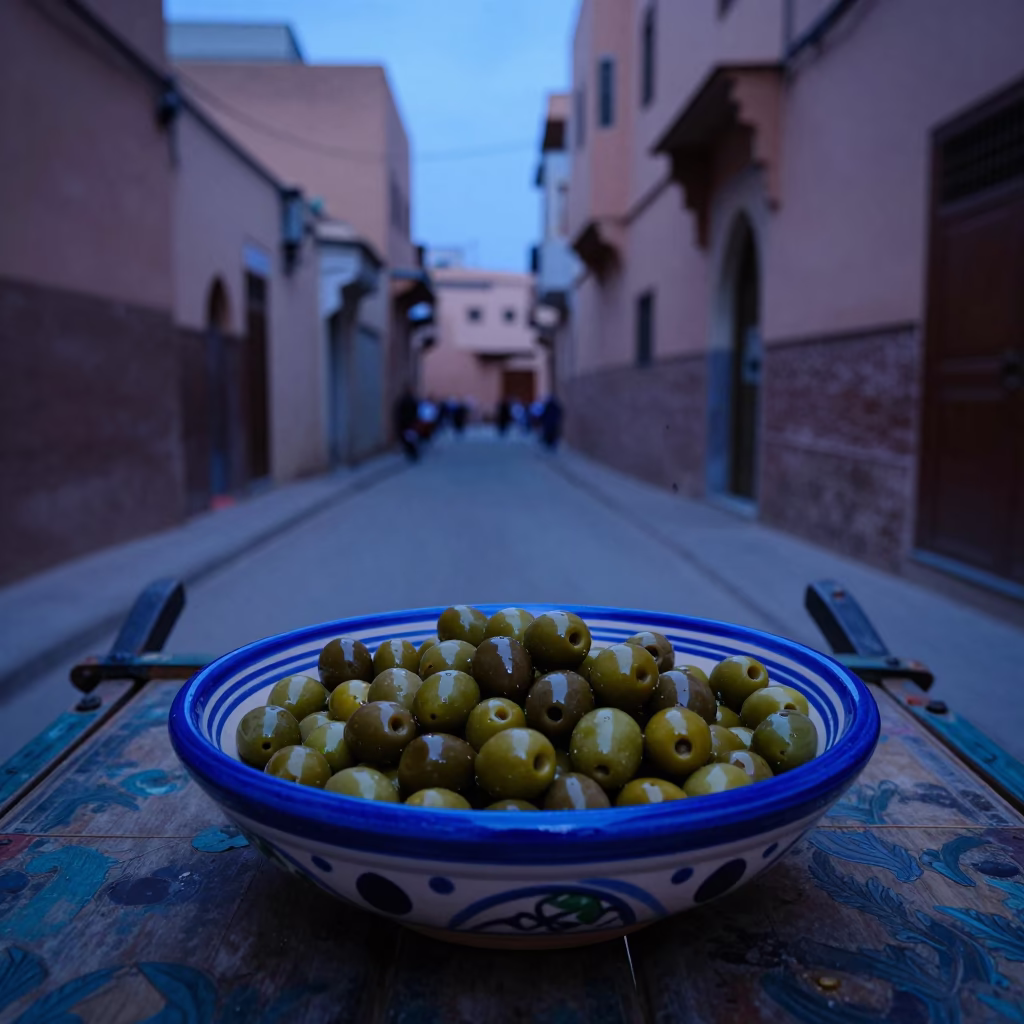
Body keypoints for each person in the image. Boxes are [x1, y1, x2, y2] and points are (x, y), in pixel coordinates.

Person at [395, 388, 419, 461]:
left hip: (404, 423)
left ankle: (410, 452)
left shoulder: (402, 401)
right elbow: (416, 411)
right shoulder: (413, 401)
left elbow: (398, 412)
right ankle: (413, 453)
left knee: (407, 439)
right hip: (411, 423)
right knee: (411, 438)